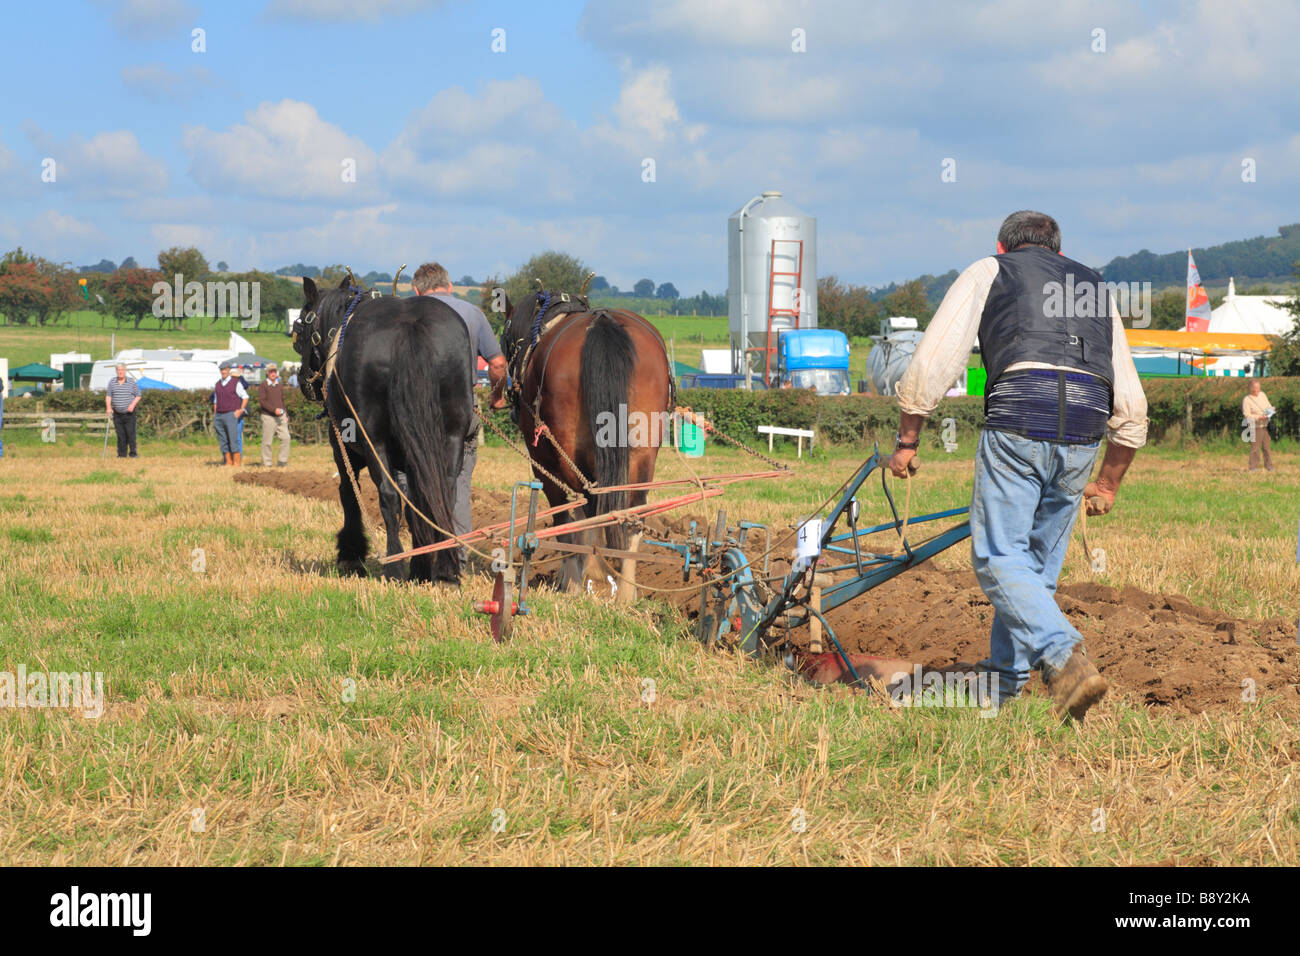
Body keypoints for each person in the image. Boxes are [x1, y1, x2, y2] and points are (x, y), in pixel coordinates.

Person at [887, 210, 1148, 720]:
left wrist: (907, 439)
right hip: (1085, 426)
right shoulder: (1095, 287)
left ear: (1003, 247)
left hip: (1020, 414)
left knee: (997, 557)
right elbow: (1132, 403)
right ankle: (1005, 686)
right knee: (1034, 570)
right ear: (1058, 250)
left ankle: (1063, 655)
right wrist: (1109, 482)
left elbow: (935, 357)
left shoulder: (991, 271)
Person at [411, 262, 508, 560]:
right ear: (449, 286)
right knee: (460, 480)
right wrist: (497, 398)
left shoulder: (407, 312)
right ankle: (458, 555)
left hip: (416, 411)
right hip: (461, 410)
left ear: (417, 290)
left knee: (412, 479)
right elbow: (498, 364)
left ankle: (423, 551)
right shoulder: (472, 313)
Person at [212, 361, 249, 466]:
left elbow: (245, 397)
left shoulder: (235, 383)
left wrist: (240, 410)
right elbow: (215, 400)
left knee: (233, 439)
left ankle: (236, 462)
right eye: (222, 370)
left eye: (225, 370)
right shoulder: (218, 384)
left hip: (231, 414)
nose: (223, 372)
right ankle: (228, 461)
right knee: (223, 439)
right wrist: (215, 413)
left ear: (228, 371)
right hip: (219, 414)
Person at [105, 362, 142, 458]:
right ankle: (121, 455)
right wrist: (108, 407)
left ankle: (133, 454)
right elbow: (109, 396)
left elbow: (138, 395)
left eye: (122, 370)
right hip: (117, 413)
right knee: (120, 435)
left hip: (129, 414)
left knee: (130, 434)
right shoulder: (112, 382)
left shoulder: (131, 382)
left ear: (125, 371)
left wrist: (132, 405)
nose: (120, 372)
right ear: (116, 371)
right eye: (118, 370)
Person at [258, 363, 291, 467]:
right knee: (267, 441)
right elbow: (262, 401)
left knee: (286, 438)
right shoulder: (263, 385)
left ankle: (282, 461)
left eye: (274, 371)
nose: (273, 373)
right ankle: (267, 463)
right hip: (268, 416)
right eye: (271, 371)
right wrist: (273, 410)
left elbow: (282, 400)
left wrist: (285, 413)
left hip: (281, 416)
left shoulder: (279, 384)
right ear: (267, 373)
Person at [1242, 379, 1275, 472]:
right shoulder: (1247, 400)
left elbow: (1269, 406)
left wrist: (1271, 410)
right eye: (1256, 388)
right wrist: (1259, 417)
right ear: (1251, 388)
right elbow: (1247, 415)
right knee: (1255, 448)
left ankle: (1269, 466)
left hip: (1266, 425)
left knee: (1266, 447)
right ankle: (1253, 467)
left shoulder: (1262, 394)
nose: (1258, 389)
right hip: (1255, 426)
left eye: (1259, 387)